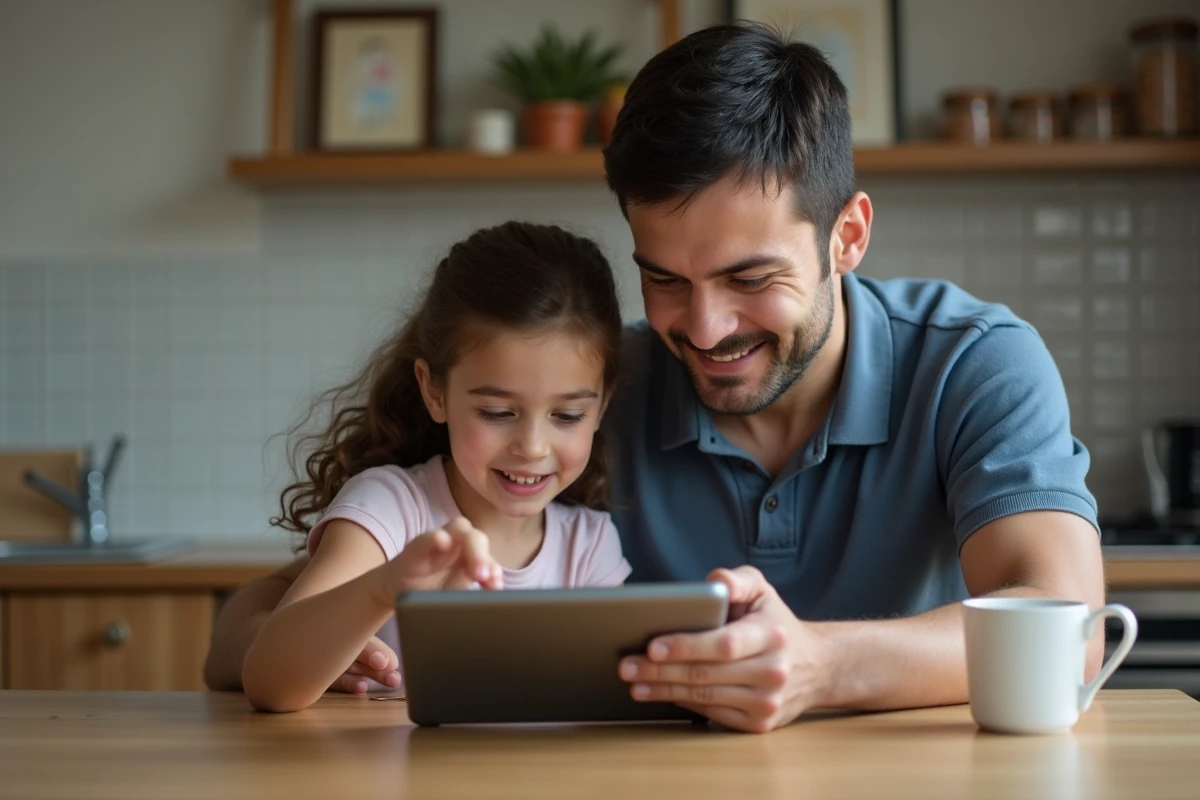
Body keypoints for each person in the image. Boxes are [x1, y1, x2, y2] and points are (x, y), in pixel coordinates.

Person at [207, 24, 1105, 732]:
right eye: (666, 279)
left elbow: (1068, 630)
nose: (704, 330)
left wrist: (823, 666)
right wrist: (337, 650)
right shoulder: (588, 395)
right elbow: (260, 622)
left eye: (750, 279)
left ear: (849, 236)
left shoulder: (972, 363)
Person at [238, 221, 630, 712]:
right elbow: (269, 683)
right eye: (497, 412)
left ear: (602, 404)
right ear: (434, 391)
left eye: (567, 416)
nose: (532, 447)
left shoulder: (590, 546)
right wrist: (384, 587)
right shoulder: (388, 507)